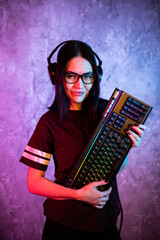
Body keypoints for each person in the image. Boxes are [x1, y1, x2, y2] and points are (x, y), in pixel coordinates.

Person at [20, 40, 146, 240]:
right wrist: (79, 195)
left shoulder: (110, 112)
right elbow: (34, 183)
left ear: (97, 77)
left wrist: (126, 146)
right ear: (58, 76)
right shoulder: (49, 123)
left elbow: (114, 168)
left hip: (105, 223)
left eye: (87, 76)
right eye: (71, 76)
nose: (80, 85)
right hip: (64, 226)